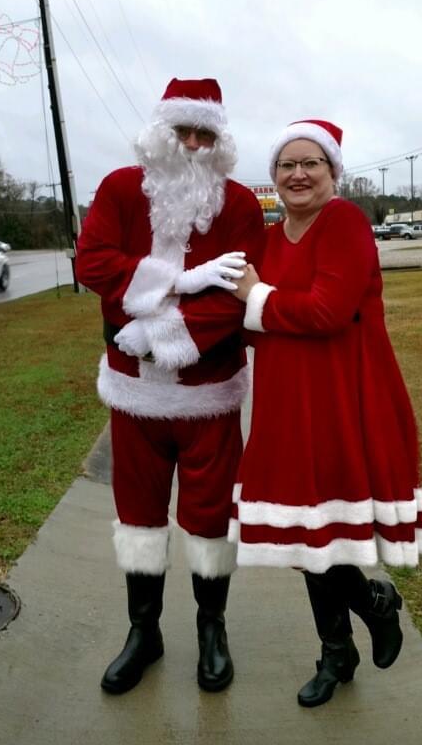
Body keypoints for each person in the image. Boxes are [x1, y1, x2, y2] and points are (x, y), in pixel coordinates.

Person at [228, 119, 422, 707]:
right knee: (301, 537)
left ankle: (357, 626)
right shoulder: (269, 238)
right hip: (283, 401)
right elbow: (258, 323)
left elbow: (325, 311)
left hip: (343, 396)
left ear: (332, 172)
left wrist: (254, 299)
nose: (298, 174)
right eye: (286, 165)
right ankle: (347, 639)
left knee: (322, 537)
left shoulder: (344, 222)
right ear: (273, 177)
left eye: (310, 163)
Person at [75, 78, 265, 695]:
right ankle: (144, 632)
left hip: (207, 392)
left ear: (219, 140)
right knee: (138, 514)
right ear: (160, 133)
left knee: (210, 518)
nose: (191, 144)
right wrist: (176, 285)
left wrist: (162, 334)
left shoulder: (238, 204)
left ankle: (213, 630)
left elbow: (236, 295)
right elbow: (92, 262)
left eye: (204, 134)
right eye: (182, 131)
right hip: (134, 396)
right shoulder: (121, 189)